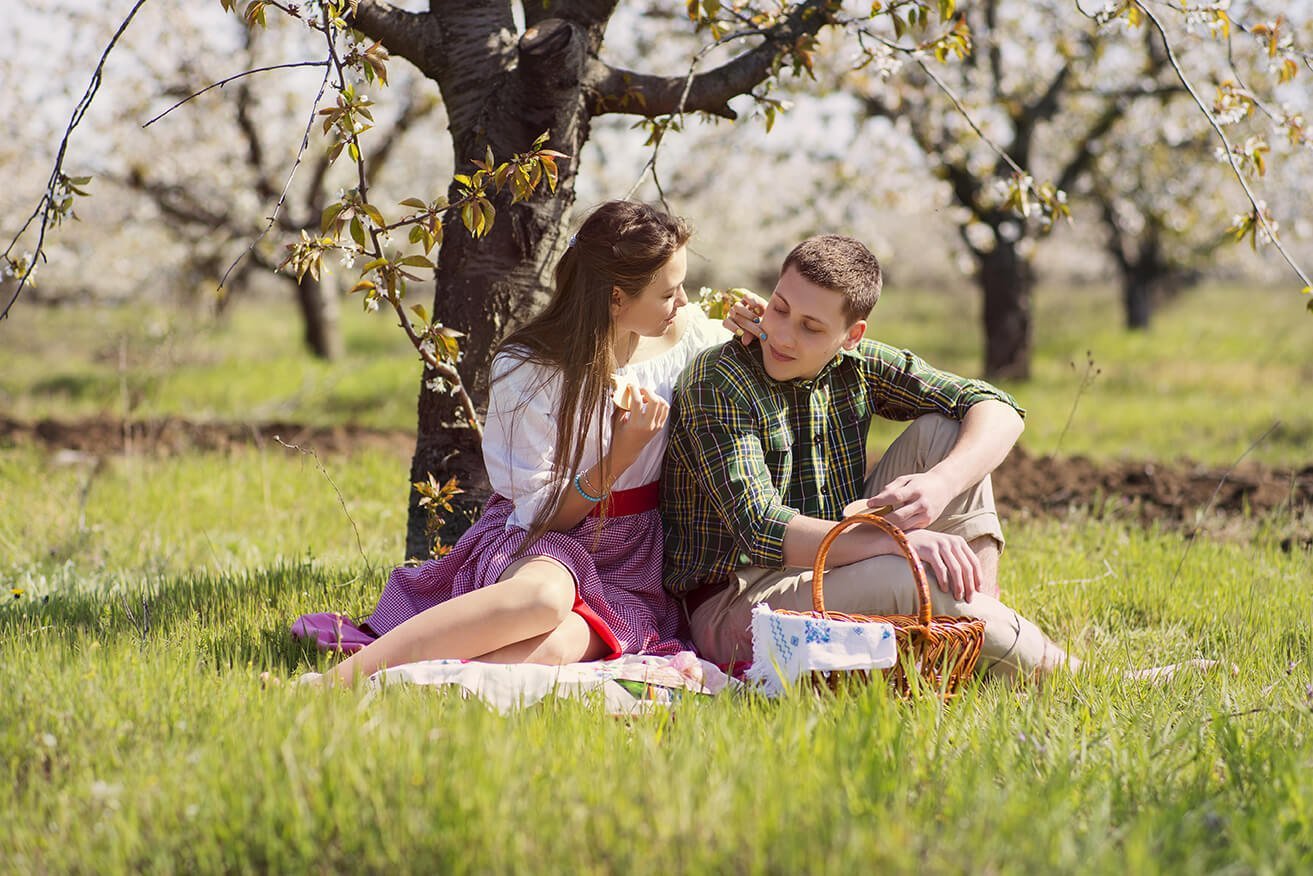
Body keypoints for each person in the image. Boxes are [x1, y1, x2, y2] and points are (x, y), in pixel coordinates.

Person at [662, 234, 1210, 680]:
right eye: (780, 308)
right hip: (741, 604)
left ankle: (967, 640)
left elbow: (998, 406)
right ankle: (1079, 678)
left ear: (851, 336)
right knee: (910, 571)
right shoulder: (721, 379)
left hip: (832, 562)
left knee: (945, 432)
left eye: (811, 327)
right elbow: (762, 529)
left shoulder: (855, 365)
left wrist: (941, 485)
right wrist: (901, 541)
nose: (782, 334)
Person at [294, 200, 766, 685]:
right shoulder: (531, 369)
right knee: (543, 602)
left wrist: (760, 326)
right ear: (616, 298)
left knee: (559, 643)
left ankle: (399, 679)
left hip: (634, 556)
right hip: (546, 539)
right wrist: (620, 454)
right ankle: (336, 683)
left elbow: (756, 354)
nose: (685, 302)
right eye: (668, 293)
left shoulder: (686, 342)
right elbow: (544, 513)